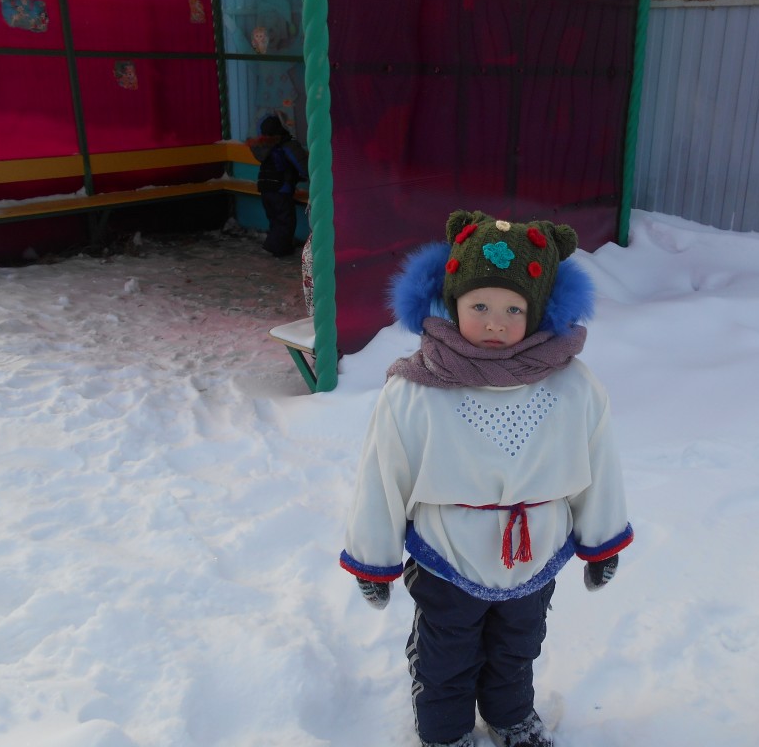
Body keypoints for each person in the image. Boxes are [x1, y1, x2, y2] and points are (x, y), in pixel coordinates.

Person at [339, 210, 634, 747]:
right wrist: (372, 558)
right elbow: (382, 474)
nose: (495, 323)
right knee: (446, 651)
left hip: (534, 548)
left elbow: (599, 465)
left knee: (518, 645)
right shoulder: (417, 389)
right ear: (452, 302)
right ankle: (445, 730)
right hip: (448, 549)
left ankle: (511, 713)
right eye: (480, 306)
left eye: (513, 309)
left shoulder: (572, 386)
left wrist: (602, 541)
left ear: (539, 311)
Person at [249, 114, 308, 257]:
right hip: (280, 188)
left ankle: (279, 246)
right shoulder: (287, 144)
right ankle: (278, 249)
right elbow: (303, 166)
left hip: (265, 187)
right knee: (286, 221)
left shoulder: (265, 146)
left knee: (276, 220)